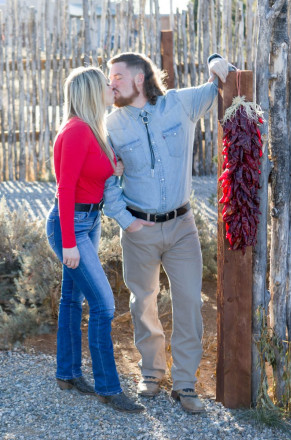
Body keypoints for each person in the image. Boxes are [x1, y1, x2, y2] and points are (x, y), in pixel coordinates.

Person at [103, 52, 231, 414]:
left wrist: (217, 61)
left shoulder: (179, 104)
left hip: (181, 228)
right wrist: (124, 219)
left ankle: (186, 383)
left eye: (117, 77)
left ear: (140, 78)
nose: (110, 83)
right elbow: (107, 180)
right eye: (109, 78)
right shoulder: (111, 124)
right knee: (142, 302)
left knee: (190, 301)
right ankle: (151, 373)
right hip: (138, 230)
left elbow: (220, 84)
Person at [45, 66, 144, 413]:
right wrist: (70, 243)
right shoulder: (75, 131)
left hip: (88, 220)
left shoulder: (93, 129)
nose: (111, 87)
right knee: (103, 305)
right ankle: (108, 387)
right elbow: (65, 188)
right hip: (70, 224)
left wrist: (114, 168)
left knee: (71, 301)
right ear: (91, 91)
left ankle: (67, 373)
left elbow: (100, 171)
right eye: (106, 84)